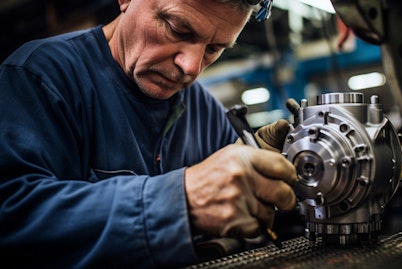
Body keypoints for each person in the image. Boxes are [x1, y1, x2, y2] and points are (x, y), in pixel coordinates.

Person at [0, 0, 297, 268]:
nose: (191, 67)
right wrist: (179, 202)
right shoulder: (39, 76)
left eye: (213, 49)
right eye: (178, 29)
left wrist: (264, 178)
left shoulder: (204, 110)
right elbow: (12, 216)